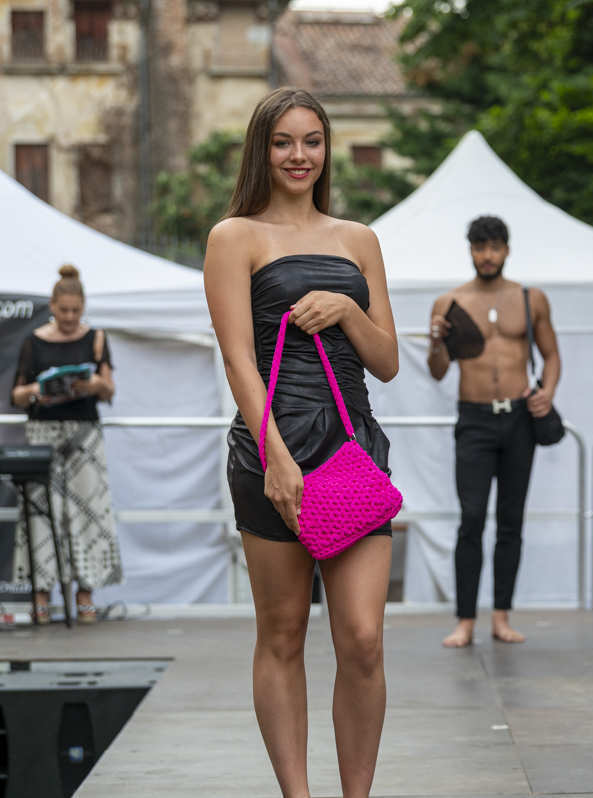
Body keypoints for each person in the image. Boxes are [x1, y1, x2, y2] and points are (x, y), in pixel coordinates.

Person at [203, 87, 399, 798]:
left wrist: (347, 307)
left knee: (364, 638)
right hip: (272, 452)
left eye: (311, 140)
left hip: (351, 450)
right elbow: (238, 361)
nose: (298, 155)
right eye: (283, 141)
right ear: (262, 149)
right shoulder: (234, 236)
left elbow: (387, 361)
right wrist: (277, 459)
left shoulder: (359, 239)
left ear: (326, 148)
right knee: (283, 633)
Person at [428, 215, 561, 648]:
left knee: (510, 520)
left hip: (519, 418)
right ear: (470, 250)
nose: (487, 255)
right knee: (470, 518)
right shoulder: (450, 301)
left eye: (494, 247)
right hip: (474, 418)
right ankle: (465, 620)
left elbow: (552, 355)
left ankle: (501, 617)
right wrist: (436, 343)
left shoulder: (530, 298)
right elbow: (437, 371)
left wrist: (546, 392)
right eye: (480, 247)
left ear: (506, 250)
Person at [9, 264, 122, 625]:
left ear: (83, 306)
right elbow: (17, 393)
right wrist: (37, 390)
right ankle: (41, 595)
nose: (70, 317)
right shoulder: (34, 341)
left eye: (76, 310)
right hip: (43, 433)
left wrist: (93, 385)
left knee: (88, 512)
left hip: (84, 435)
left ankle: (85, 594)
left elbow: (109, 389)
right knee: (40, 512)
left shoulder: (97, 338)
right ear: (53, 306)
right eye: (64, 310)